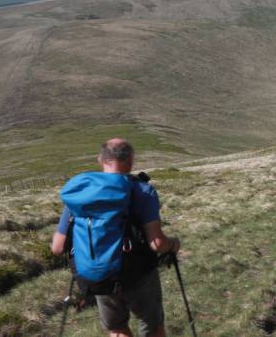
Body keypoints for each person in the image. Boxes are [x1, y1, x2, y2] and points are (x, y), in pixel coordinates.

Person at [50, 138, 181, 337]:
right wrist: (173, 244)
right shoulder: (142, 190)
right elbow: (157, 243)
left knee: (117, 328)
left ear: (100, 160)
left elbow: (58, 248)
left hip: (98, 275)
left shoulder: (81, 195)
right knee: (151, 325)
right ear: (131, 160)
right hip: (138, 274)